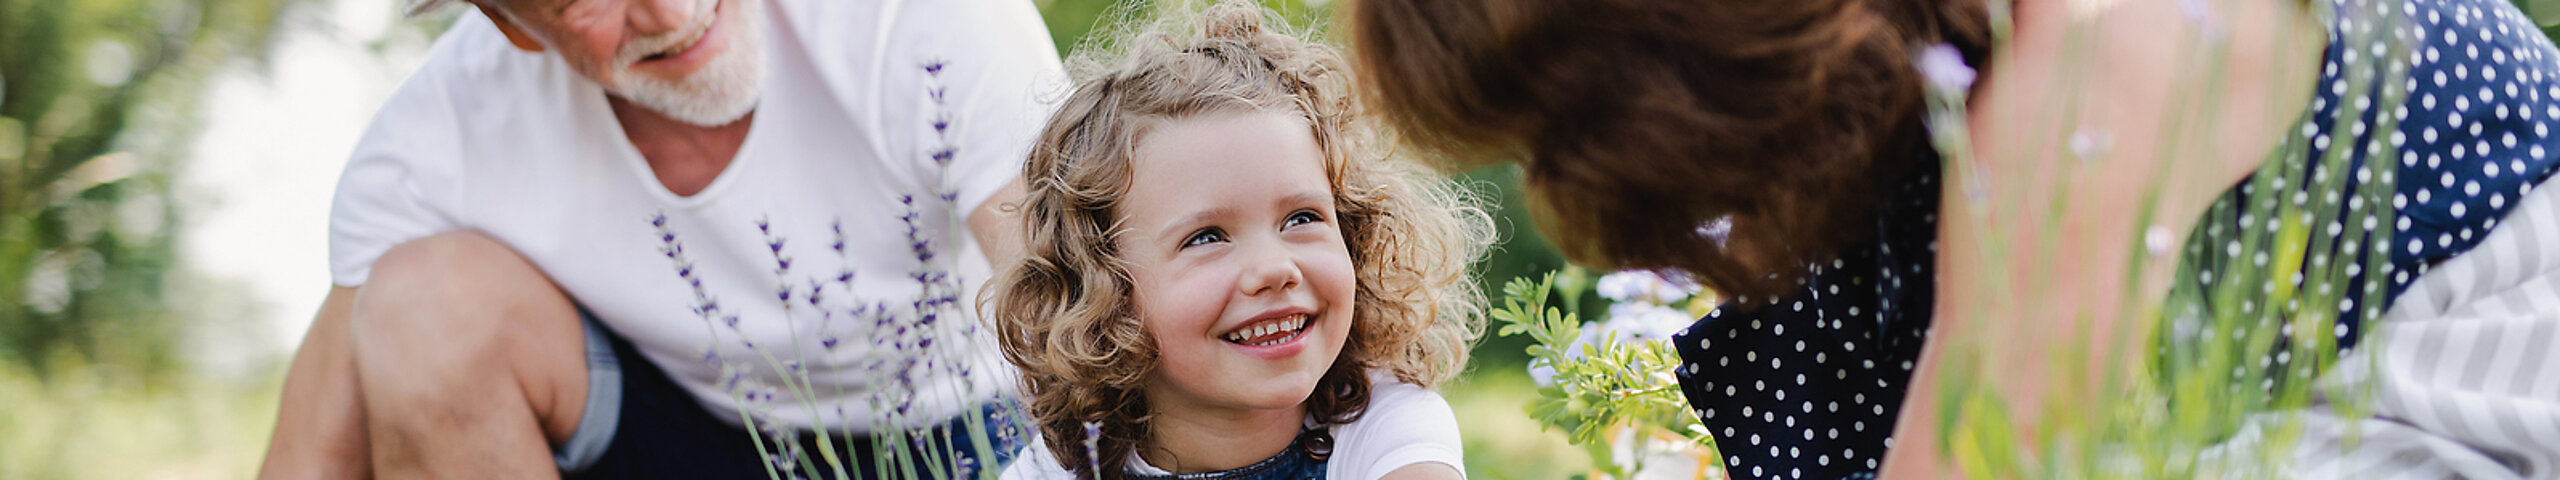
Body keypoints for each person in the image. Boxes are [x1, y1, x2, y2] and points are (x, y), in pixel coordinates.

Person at [1347, 0, 2560, 477]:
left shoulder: (2095, 58)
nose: (1564, 190)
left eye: (1559, 126)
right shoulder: (1924, 79)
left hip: (2465, 391)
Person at [255, 0, 1064, 477]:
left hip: (974, 434)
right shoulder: (433, 139)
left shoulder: (920, 15)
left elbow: (1078, 315)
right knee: (421, 307)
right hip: (686, 436)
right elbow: (311, 462)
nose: (675, 15)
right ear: (510, 24)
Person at [984, 3, 1491, 479]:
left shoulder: (1387, 428)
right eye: (1207, 237)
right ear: (1103, 287)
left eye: (1301, 218)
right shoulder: (1070, 463)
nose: (1275, 268)